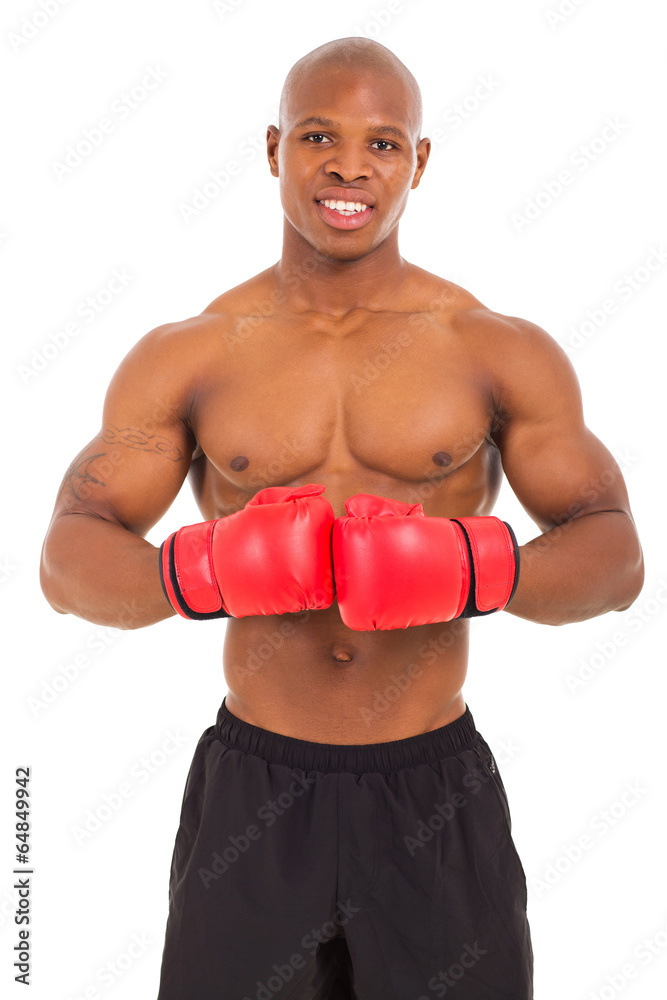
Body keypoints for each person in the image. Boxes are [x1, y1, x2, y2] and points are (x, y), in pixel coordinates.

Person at [40, 36, 643, 1000]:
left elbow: (614, 560)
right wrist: (199, 571)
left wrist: (472, 569)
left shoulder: (496, 348)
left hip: (431, 792)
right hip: (255, 789)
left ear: (420, 161)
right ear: (274, 147)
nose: (350, 167)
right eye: (320, 135)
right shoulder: (190, 354)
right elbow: (67, 564)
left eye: (384, 143)